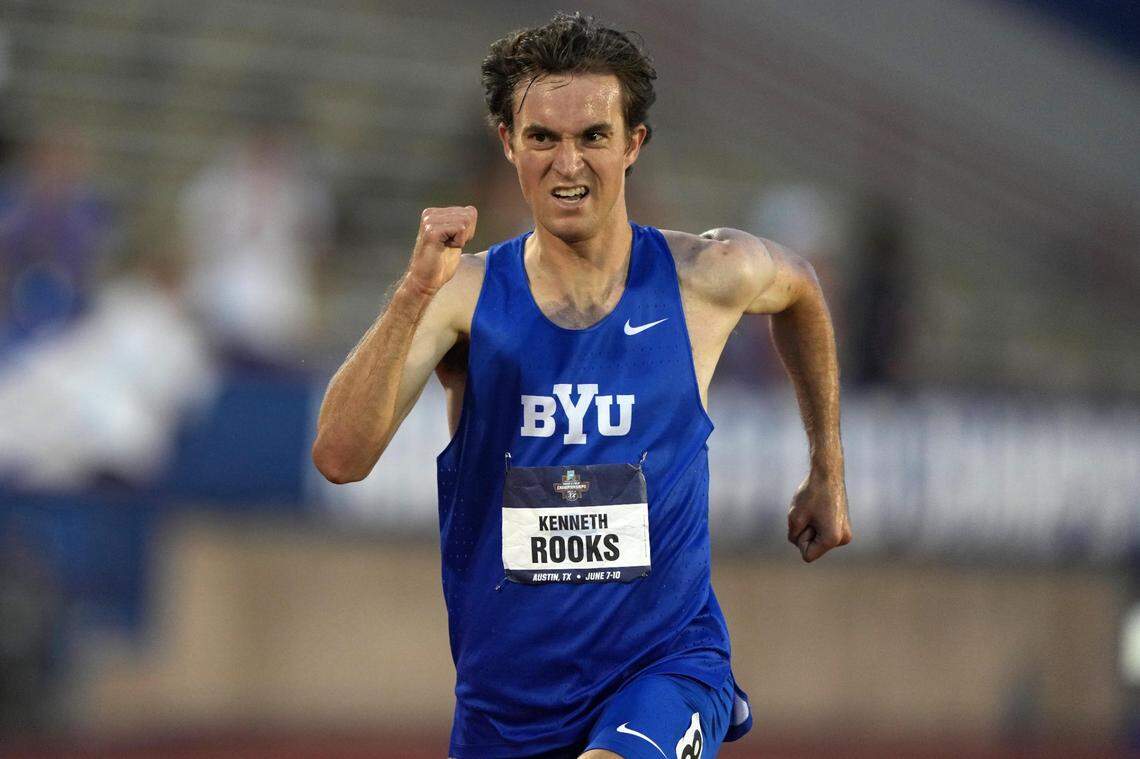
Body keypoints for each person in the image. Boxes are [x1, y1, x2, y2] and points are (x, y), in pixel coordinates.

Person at [313, 13, 851, 759]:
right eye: (543, 139)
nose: (569, 165)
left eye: (593, 136)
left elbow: (802, 289)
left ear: (633, 144)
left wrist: (827, 467)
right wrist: (410, 295)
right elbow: (340, 456)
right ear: (508, 142)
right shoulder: (461, 300)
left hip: (664, 669)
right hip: (506, 708)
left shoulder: (705, 279)